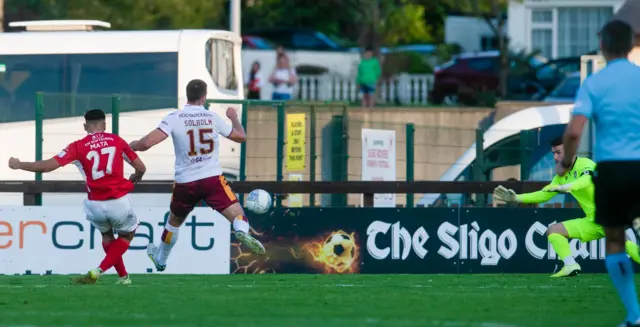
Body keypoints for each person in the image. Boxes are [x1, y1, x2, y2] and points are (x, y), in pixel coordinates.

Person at [129, 79, 265, 272]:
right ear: (204, 97)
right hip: (212, 179)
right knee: (237, 215)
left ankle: (161, 259)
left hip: (186, 183)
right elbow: (241, 137)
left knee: (173, 223)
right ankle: (242, 232)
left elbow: (146, 144)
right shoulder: (212, 117)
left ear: (187, 96)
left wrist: (132, 145)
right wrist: (234, 117)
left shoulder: (174, 117)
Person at [558, 20, 640, 326]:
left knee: (616, 240)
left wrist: (567, 162)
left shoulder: (595, 82)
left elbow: (573, 133)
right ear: (632, 45)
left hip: (613, 170)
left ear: (602, 45)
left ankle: (634, 316)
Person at [7, 109, 146, 285]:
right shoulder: (117, 141)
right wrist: (136, 177)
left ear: (85, 126)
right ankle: (99, 270)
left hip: (95, 205)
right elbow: (141, 167)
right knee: (127, 235)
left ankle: (123, 278)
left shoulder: (78, 146)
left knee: (107, 237)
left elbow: (48, 166)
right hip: (118, 201)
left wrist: (20, 165)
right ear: (104, 125)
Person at [494, 136, 640, 278]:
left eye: (559, 152)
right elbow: (544, 194)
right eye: (554, 154)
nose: (555, 158)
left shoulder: (585, 164)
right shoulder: (560, 176)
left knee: (626, 245)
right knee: (553, 231)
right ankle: (570, 265)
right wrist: (517, 198)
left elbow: (587, 180)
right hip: (593, 220)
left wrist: (566, 187)